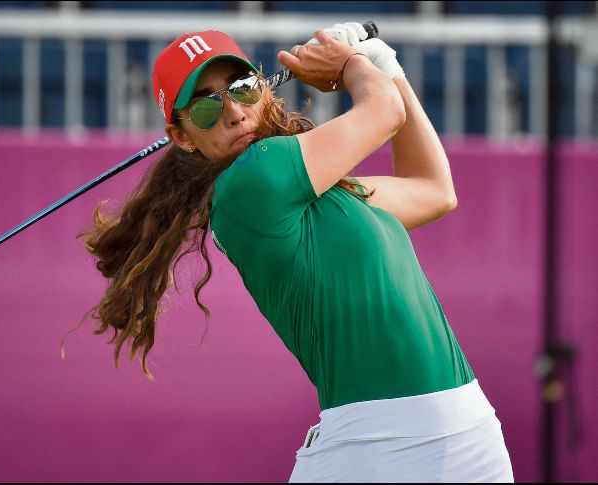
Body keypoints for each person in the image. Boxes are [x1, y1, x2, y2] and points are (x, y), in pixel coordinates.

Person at [76, 24, 514, 482]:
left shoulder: (328, 193)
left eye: (242, 88)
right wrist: (352, 65)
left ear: (264, 91)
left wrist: (386, 66)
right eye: (205, 106)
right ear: (182, 136)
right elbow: (384, 111)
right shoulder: (250, 182)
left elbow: (434, 190)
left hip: (471, 433)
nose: (232, 112)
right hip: (374, 453)